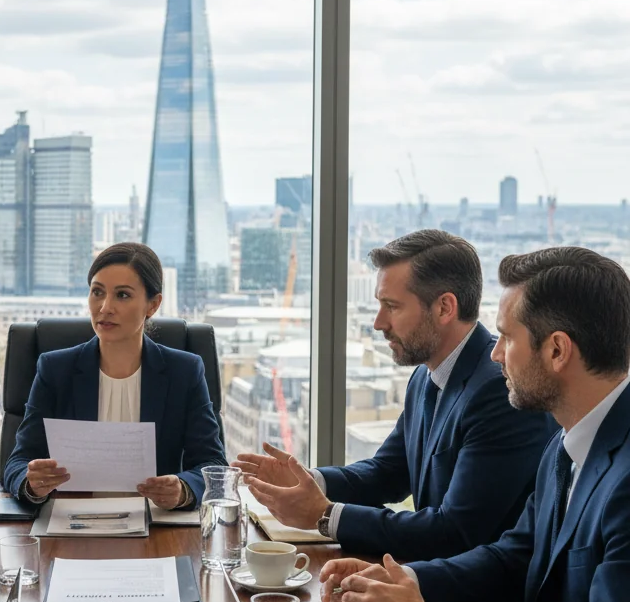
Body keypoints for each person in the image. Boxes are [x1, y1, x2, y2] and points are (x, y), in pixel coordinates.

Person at [321, 247, 630, 602]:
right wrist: (403, 580)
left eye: (507, 337)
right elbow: (514, 558)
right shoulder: (566, 442)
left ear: (557, 351)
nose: (493, 353)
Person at [237, 230, 554, 560]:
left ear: (445, 307)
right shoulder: (425, 375)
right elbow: (387, 473)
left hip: (479, 600)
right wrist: (309, 480)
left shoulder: (498, 390)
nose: (378, 323)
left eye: (391, 306)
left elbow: (455, 532)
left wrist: (327, 516)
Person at [2, 242, 226, 509]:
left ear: (152, 305)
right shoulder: (55, 369)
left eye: (122, 295)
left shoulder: (184, 371)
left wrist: (184, 489)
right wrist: (31, 483)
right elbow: (16, 463)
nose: (105, 307)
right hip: (72, 525)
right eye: (97, 292)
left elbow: (213, 465)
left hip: (155, 525)